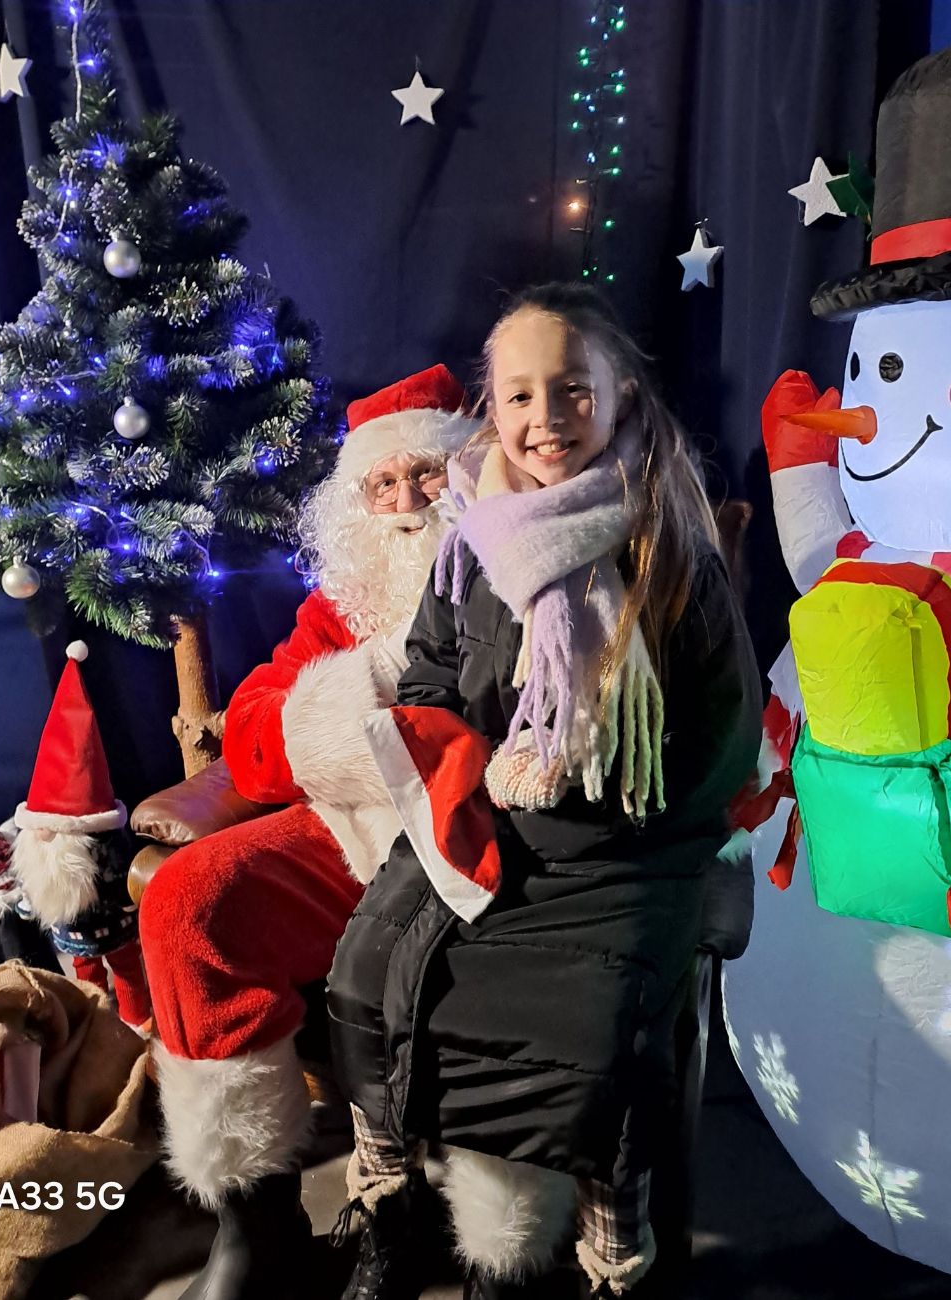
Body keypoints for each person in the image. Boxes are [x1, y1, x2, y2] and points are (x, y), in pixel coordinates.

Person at [327, 284, 763, 1299]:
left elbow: (715, 737)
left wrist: (580, 782)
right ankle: (395, 1208)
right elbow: (434, 674)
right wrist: (470, 764)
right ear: (492, 405)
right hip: (483, 822)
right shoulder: (468, 538)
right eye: (519, 395)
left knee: (588, 1034)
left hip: (619, 845)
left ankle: (609, 1252)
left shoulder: (668, 544)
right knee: (366, 972)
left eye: (571, 390)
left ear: (619, 395)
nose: (543, 418)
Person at [138, 364, 474, 1300]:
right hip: (355, 840)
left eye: (428, 477)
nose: (406, 502)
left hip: (480, 846)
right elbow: (252, 736)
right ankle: (258, 1226)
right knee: (186, 901)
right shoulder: (343, 603)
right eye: (383, 483)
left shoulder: (523, 570)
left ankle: (462, 1216)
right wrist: (362, 700)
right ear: (357, 503)